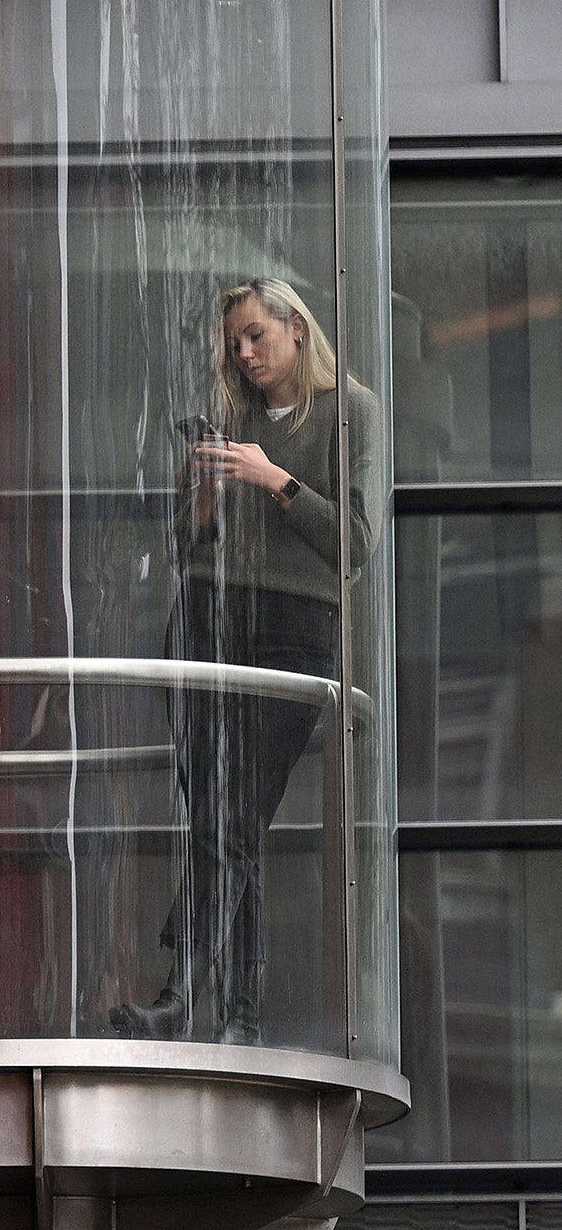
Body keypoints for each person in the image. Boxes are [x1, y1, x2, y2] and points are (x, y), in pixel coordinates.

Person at [108, 277, 376, 1046]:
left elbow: (354, 544)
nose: (245, 353)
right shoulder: (232, 418)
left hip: (292, 631)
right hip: (202, 622)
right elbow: (184, 550)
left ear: (298, 329)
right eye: (234, 343)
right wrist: (201, 492)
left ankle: (190, 997)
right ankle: (235, 1016)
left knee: (231, 818)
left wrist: (273, 478)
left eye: (256, 335)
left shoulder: (349, 411)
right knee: (222, 821)